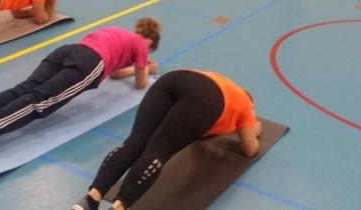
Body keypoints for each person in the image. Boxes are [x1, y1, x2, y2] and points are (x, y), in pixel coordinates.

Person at [0, 18, 162, 159]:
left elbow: (115, 73)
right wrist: (147, 69)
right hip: (89, 64)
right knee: (40, 101)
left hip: (69, 51)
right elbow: (141, 84)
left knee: (24, 88)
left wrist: (131, 68)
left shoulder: (117, 31)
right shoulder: (141, 45)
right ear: (150, 42)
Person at [72, 69, 261, 210]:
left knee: (135, 142)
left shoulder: (227, 85)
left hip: (174, 79)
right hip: (206, 97)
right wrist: (252, 128)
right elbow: (250, 149)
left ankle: (90, 200)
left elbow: (200, 130)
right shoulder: (245, 105)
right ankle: (119, 207)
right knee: (158, 150)